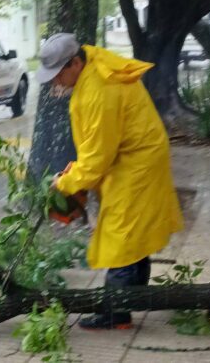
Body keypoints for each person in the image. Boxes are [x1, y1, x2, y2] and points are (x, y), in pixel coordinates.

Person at [37, 33, 183, 330]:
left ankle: (115, 313)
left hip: (135, 163)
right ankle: (133, 297)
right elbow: (98, 147)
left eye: (57, 75)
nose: (54, 83)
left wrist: (63, 184)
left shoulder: (98, 92)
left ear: (75, 63)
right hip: (133, 156)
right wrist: (74, 172)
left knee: (121, 234)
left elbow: (96, 161)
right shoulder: (92, 62)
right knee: (132, 230)